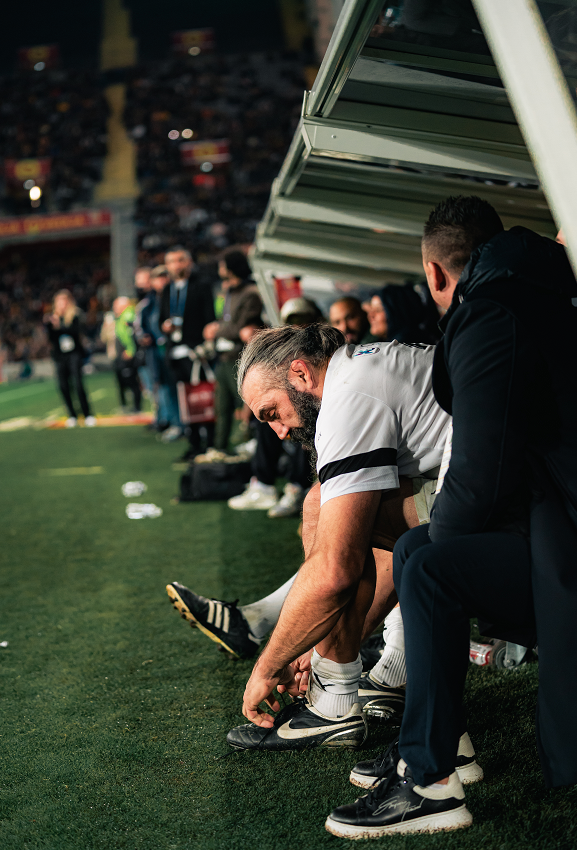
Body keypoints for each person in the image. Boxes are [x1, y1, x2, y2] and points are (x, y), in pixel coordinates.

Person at [325, 195, 577, 838]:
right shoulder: (534, 287)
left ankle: (433, 785)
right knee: (419, 552)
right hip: (556, 525)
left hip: (567, 542)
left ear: (435, 274)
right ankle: (438, 749)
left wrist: (446, 545)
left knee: (432, 563)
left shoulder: (493, 311)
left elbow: (482, 472)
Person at [167, 326, 478, 760]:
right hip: (512, 485)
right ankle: (390, 670)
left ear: (299, 373)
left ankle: (334, 701)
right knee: (341, 510)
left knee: (324, 513)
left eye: (271, 412)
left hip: (515, 506)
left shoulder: (346, 396)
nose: (278, 431)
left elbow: (335, 570)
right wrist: (313, 648)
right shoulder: (361, 364)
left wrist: (269, 665)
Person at [228, 297, 320, 517]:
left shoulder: (320, 349)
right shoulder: (286, 351)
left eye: (304, 320)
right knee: (268, 421)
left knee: (298, 422)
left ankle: (297, 487)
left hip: (317, 411)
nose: (300, 327)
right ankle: (263, 484)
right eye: (294, 322)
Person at [203, 249, 263, 454]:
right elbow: (229, 322)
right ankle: (220, 447)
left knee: (250, 405)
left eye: (222, 265)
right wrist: (218, 327)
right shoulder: (229, 292)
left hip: (240, 357)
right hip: (223, 356)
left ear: (231, 267)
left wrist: (216, 330)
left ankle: (258, 444)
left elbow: (243, 327)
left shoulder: (251, 293)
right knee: (222, 406)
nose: (220, 269)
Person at [159, 246, 215, 454]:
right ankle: (193, 444)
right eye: (172, 261)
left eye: (180, 260)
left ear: (189, 263)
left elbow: (209, 319)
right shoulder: (166, 290)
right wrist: (164, 326)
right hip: (173, 354)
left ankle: (210, 443)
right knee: (183, 403)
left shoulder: (202, 286)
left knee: (203, 398)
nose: (176, 265)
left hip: (196, 353)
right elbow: (160, 320)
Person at [45, 290, 95, 428]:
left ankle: (87, 414)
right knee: (63, 386)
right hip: (60, 356)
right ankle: (72, 415)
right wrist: (52, 326)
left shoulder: (75, 316)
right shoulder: (53, 318)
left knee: (78, 384)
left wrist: (60, 327)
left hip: (74, 354)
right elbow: (51, 338)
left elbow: (75, 332)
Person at [366, 281, 440, 344]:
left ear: (398, 312)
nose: (370, 315)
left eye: (378, 310)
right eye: (371, 309)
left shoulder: (403, 345)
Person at [112, 296, 141, 413]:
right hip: (125, 352)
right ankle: (133, 406)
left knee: (132, 381)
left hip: (130, 354)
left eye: (116, 306)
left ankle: (137, 407)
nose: (114, 308)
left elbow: (132, 335)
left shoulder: (128, 316)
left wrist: (130, 350)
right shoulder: (123, 316)